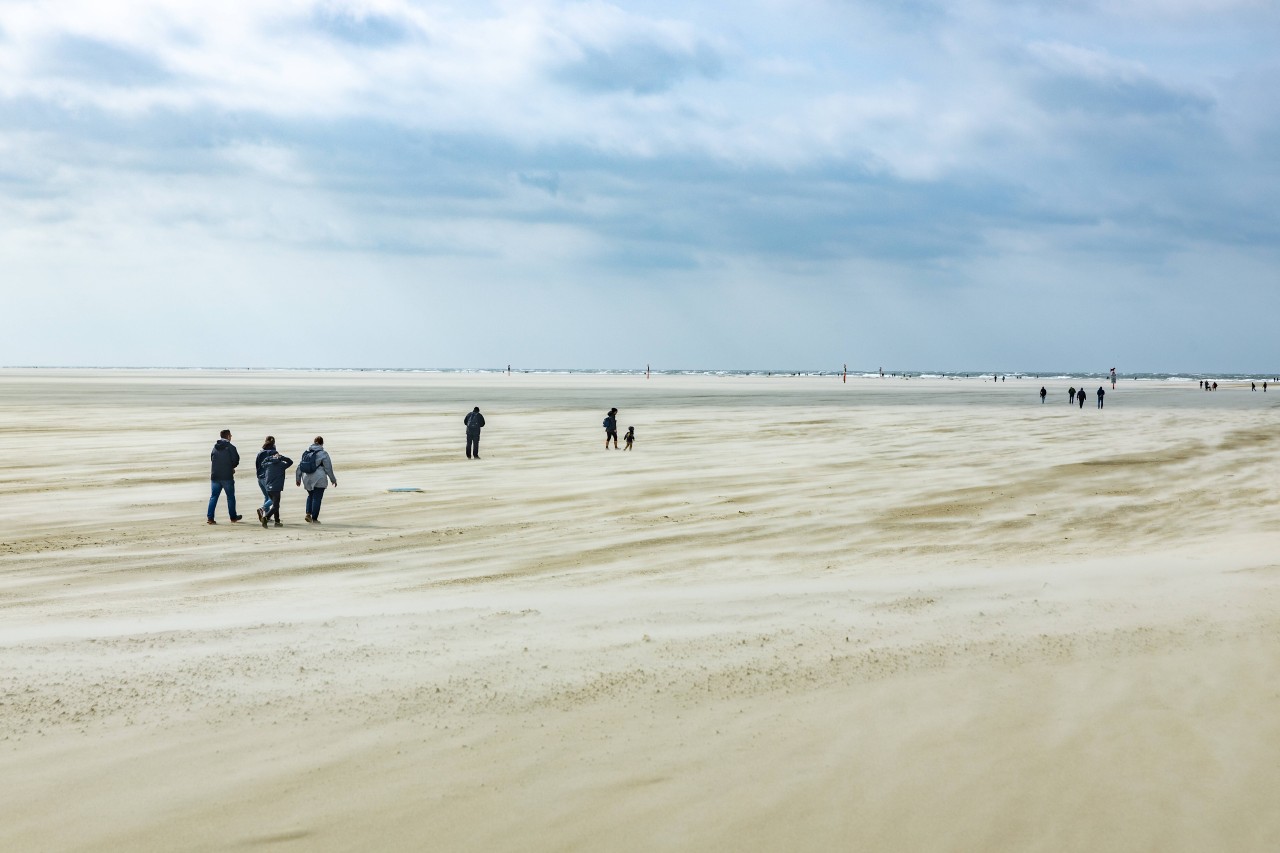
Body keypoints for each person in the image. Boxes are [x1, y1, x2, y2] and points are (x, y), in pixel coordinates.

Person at [296, 436, 337, 523]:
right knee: (317, 498)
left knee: (310, 495)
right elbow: (328, 468)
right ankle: (314, 518)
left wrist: (298, 478)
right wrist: (333, 480)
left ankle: (308, 513)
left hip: (306, 477)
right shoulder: (323, 454)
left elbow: (300, 466)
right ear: (322, 444)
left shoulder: (306, 453)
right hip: (319, 478)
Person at [207, 429, 243, 524]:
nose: (231, 437)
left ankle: (210, 518)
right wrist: (231, 467)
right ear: (227, 436)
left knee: (214, 497)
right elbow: (236, 460)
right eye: (230, 435)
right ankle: (233, 517)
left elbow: (212, 458)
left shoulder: (215, 447)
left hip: (215, 475)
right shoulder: (231, 447)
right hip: (227, 476)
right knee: (230, 497)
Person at [259, 449, 293, 527]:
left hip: (268, 487)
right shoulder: (281, 465)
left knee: (275, 505)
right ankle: (266, 517)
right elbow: (290, 462)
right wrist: (281, 457)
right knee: (276, 506)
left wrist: (270, 458)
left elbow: (262, 463)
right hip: (276, 488)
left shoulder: (268, 464)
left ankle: (277, 522)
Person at [255, 436, 277, 524]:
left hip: (260, 478)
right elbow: (276, 465)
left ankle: (267, 516)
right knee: (274, 498)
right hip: (267, 478)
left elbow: (257, 465)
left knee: (267, 496)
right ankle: (262, 509)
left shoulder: (260, 453)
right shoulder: (273, 452)